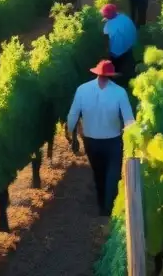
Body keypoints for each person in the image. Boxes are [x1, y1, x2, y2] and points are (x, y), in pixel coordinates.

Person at [66, 59, 135, 216]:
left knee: (98, 173)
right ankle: (108, 208)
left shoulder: (82, 90)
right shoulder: (119, 92)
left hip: (91, 141)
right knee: (113, 174)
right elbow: (129, 120)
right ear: (111, 75)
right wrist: (133, 139)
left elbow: (73, 115)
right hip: (113, 141)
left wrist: (70, 133)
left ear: (96, 73)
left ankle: (101, 204)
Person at [102, 2, 137, 80]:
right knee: (128, 61)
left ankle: (119, 78)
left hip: (117, 52)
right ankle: (131, 72)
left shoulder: (108, 26)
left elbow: (107, 41)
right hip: (129, 45)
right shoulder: (125, 17)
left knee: (117, 66)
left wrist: (107, 53)